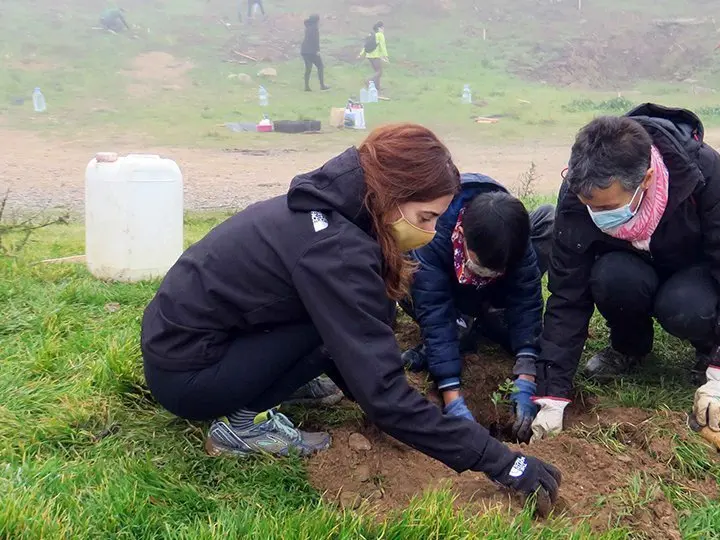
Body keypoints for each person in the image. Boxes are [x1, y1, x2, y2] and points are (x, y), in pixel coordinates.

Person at [140, 123, 562, 513]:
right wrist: (504, 463)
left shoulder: (331, 209)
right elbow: (384, 396)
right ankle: (240, 426)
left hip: (188, 342)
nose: (430, 234)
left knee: (338, 331)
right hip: (189, 376)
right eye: (425, 218)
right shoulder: (335, 250)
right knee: (331, 331)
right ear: (391, 195)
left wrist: (369, 386)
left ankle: (286, 376)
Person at [529, 105, 720, 441]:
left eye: (607, 207)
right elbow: (567, 294)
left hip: (692, 274)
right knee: (609, 277)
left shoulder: (702, 172)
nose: (595, 214)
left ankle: (708, 354)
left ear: (647, 179)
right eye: (588, 206)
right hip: (630, 270)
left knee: (686, 305)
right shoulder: (580, 194)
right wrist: (552, 395)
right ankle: (629, 348)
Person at [400, 173, 554, 441]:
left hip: (489, 298)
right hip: (447, 292)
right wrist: (452, 398)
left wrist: (528, 371)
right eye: (481, 267)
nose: (487, 273)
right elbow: (434, 311)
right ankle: (463, 325)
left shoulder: (513, 237)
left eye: (496, 271)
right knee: (408, 274)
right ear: (462, 236)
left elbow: (526, 297)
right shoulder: (434, 235)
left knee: (549, 218)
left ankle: (481, 322)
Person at [358, 21, 388, 94]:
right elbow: (383, 46)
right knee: (379, 72)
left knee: (377, 71)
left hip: (369, 56)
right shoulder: (380, 35)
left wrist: (361, 54)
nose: (383, 29)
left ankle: (377, 87)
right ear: (379, 28)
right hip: (375, 56)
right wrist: (385, 56)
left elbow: (365, 46)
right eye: (382, 27)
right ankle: (368, 80)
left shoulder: (372, 35)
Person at [301, 14, 329, 91]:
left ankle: (306, 87)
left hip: (304, 51)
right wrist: (317, 50)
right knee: (320, 66)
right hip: (312, 51)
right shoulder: (314, 28)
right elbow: (315, 40)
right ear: (316, 20)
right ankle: (322, 85)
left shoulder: (308, 27)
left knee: (308, 69)